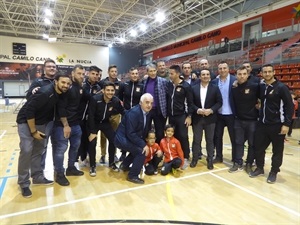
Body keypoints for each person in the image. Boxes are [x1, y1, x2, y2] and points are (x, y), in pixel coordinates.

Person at [16, 74, 71, 198]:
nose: (66, 86)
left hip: (42, 122)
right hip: (26, 121)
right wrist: (33, 131)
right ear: (56, 82)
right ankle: (24, 183)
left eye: (68, 84)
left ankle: (37, 177)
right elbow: (29, 110)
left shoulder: (62, 94)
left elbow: (61, 109)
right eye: (63, 82)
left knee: (38, 150)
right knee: (26, 150)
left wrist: (66, 125)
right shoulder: (45, 92)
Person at [250, 64, 293, 184]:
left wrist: (286, 124)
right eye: (265, 72)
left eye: (269, 72)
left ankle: (274, 172)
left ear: (274, 73)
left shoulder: (281, 87)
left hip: (277, 125)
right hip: (262, 124)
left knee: (277, 150)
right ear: (262, 74)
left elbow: (289, 107)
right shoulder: (262, 86)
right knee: (258, 148)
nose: (267, 74)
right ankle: (259, 168)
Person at [52, 65, 85, 186]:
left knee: (75, 146)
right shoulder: (67, 88)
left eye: (82, 74)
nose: (81, 76)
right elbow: (61, 108)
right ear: (73, 74)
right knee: (61, 149)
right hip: (62, 125)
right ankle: (59, 173)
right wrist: (65, 125)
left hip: (76, 124)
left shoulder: (79, 87)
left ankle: (70, 168)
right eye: (79, 73)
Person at [25, 59, 58, 172]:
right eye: (49, 66)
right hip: (44, 122)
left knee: (57, 147)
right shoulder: (38, 82)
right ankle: (39, 171)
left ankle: (57, 169)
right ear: (44, 69)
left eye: (53, 67)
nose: (52, 68)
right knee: (42, 147)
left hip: (57, 121)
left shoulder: (59, 82)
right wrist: (33, 91)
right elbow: (29, 97)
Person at [115, 93, 154, 184]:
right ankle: (132, 175)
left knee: (138, 149)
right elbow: (130, 133)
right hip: (122, 139)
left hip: (128, 137)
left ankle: (124, 165)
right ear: (141, 103)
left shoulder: (147, 112)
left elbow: (144, 129)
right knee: (141, 151)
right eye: (147, 102)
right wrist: (143, 144)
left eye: (151, 103)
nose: (149, 105)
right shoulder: (134, 113)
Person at [88, 82, 125, 174]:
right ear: (103, 91)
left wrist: (133, 116)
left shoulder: (115, 101)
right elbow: (91, 116)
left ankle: (111, 162)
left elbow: (123, 112)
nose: (110, 92)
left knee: (113, 140)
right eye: (108, 90)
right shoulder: (95, 99)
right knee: (92, 142)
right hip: (94, 123)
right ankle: (92, 165)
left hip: (105, 123)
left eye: (112, 90)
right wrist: (92, 132)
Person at [190, 69, 222, 170]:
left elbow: (219, 102)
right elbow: (190, 103)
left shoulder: (215, 88)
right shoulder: (193, 88)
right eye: (203, 74)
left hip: (210, 119)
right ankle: (195, 159)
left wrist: (211, 110)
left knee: (210, 140)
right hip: (197, 118)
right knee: (196, 140)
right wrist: (197, 110)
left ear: (210, 76)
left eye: (207, 74)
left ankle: (210, 160)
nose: (205, 76)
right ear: (200, 77)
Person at [230, 66, 259, 174]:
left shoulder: (255, 86)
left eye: (244, 74)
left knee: (252, 143)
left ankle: (249, 163)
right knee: (238, 142)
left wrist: (260, 104)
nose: (242, 76)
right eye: (239, 74)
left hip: (252, 120)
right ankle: (238, 162)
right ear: (236, 75)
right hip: (238, 120)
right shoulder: (234, 88)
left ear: (248, 75)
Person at [76, 66, 102, 175]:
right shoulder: (82, 85)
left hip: (91, 120)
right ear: (88, 74)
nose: (95, 76)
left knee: (89, 140)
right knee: (79, 140)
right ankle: (76, 159)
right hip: (79, 117)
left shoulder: (99, 87)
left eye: (97, 74)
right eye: (93, 74)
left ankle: (86, 158)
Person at [167, 64, 193, 169]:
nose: (170, 75)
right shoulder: (169, 85)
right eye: (169, 73)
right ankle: (176, 156)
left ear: (178, 74)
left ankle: (186, 157)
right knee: (174, 137)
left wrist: (189, 116)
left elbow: (190, 103)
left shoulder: (186, 86)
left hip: (182, 116)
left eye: (171, 73)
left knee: (183, 137)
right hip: (171, 116)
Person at [211, 61, 236, 163]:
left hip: (231, 114)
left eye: (224, 68)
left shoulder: (235, 80)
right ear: (218, 70)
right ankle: (219, 156)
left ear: (228, 69)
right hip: (219, 114)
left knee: (234, 138)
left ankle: (235, 157)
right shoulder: (214, 82)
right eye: (220, 69)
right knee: (217, 137)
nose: (222, 70)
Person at [99, 65, 123, 164]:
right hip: (104, 113)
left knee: (114, 135)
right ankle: (103, 155)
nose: (114, 73)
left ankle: (113, 154)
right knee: (103, 135)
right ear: (108, 72)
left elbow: (121, 97)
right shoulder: (102, 83)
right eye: (112, 71)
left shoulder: (120, 84)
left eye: (115, 71)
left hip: (116, 114)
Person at [118, 67, 144, 161]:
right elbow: (119, 98)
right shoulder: (124, 85)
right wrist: (123, 110)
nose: (135, 75)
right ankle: (123, 153)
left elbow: (143, 100)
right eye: (133, 73)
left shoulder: (141, 85)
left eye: (136, 73)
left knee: (135, 133)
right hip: (126, 113)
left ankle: (133, 153)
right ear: (129, 74)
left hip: (137, 114)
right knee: (125, 133)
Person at [143, 63, 168, 144]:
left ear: (156, 71)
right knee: (146, 130)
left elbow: (168, 95)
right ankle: (147, 150)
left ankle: (159, 151)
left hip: (159, 111)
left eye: (154, 71)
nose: (153, 73)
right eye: (151, 71)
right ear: (147, 72)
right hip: (147, 110)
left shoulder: (163, 81)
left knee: (160, 133)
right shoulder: (144, 82)